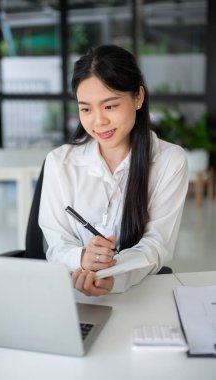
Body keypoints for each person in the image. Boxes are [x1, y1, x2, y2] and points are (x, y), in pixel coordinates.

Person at [39, 45, 188, 296]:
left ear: (138, 97)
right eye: (86, 109)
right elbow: (56, 244)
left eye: (109, 106)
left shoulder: (169, 161)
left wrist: (114, 278)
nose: (98, 121)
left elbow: (156, 245)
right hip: (68, 295)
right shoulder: (59, 162)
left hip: (138, 294)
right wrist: (83, 257)